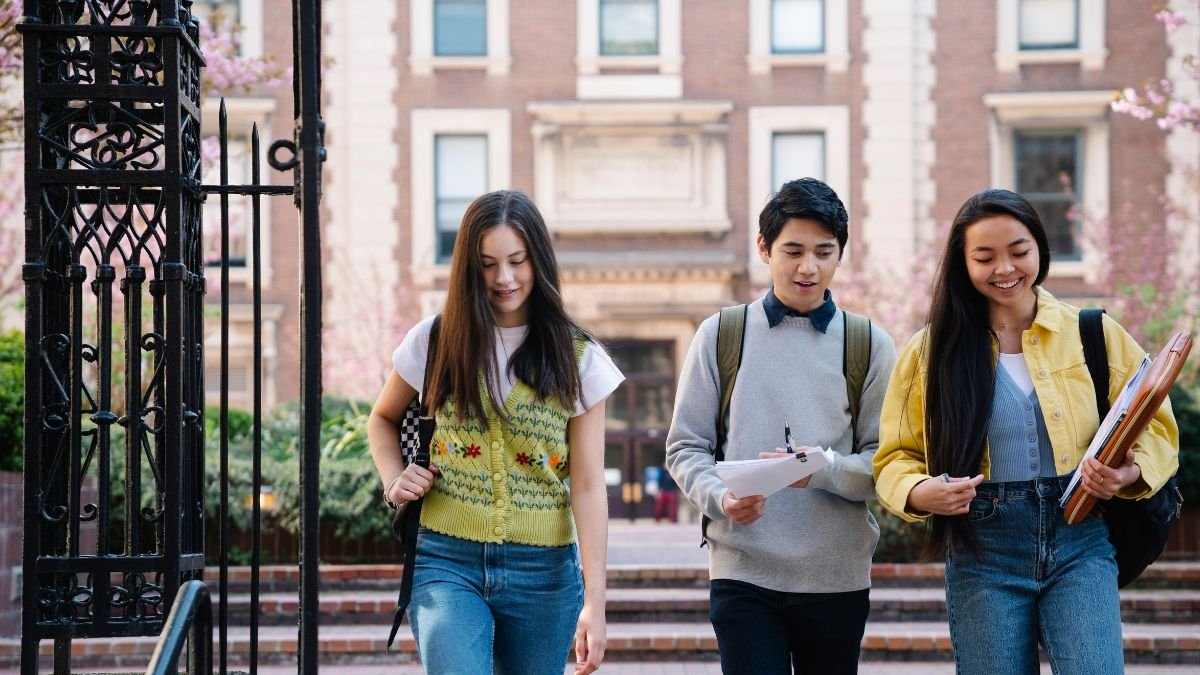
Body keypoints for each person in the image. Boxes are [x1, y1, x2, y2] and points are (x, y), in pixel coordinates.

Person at [872, 188, 1180, 675]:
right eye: (984, 257)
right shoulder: (931, 352)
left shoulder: (1093, 332)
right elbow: (895, 457)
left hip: (1080, 536)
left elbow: (1157, 426)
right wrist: (919, 491)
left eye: (1019, 251)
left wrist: (1129, 473)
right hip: (982, 549)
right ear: (962, 263)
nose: (1005, 268)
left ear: (1040, 248)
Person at [367, 189, 624, 675]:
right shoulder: (435, 340)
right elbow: (381, 418)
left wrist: (597, 602)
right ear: (469, 267)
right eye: (487, 264)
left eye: (517, 261)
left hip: (544, 572)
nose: (504, 278)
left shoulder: (580, 359)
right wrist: (393, 479)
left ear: (538, 260)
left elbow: (589, 485)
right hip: (446, 557)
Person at [665, 177, 897, 675]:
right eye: (793, 251)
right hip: (743, 572)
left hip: (836, 577)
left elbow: (885, 462)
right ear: (764, 249)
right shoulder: (721, 335)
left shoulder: (869, 344)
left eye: (823, 252)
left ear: (840, 254)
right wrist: (721, 497)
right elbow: (685, 446)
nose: (808, 267)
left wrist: (820, 469)